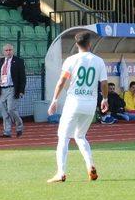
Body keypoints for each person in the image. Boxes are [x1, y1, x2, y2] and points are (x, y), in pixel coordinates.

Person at [46, 32, 108, 183]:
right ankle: (90, 165)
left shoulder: (71, 59)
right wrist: (105, 99)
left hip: (74, 102)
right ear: (90, 44)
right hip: (90, 104)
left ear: (76, 44)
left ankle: (61, 172)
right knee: (80, 136)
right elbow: (104, 83)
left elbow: (62, 81)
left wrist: (54, 100)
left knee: (63, 137)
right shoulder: (99, 61)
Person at [0, 44, 26, 138]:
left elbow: (22, 77)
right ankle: (7, 132)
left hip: (12, 88)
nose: (8, 52)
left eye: (10, 50)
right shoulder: (1, 61)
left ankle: (19, 126)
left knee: (11, 109)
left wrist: (21, 90)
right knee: (4, 112)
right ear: (4, 52)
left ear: (13, 50)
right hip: (2, 89)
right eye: (6, 50)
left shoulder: (19, 61)